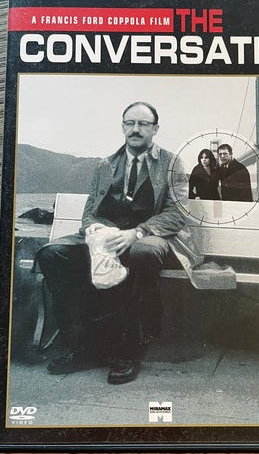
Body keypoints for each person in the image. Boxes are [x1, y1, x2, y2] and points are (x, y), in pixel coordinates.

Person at [36, 101, 198, 385]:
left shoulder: (172, 164)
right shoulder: (105, 165)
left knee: (141, 253)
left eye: (143, 124)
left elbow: (177, 214)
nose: (135, 129)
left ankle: (129, 351)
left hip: (151, 237)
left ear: (155, 129)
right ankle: (83, 347)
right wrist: (97, 231)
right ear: (123, 126)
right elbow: (90, 212)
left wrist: (137, 232)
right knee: (52, 254)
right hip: (108, 238)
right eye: (130, 123)